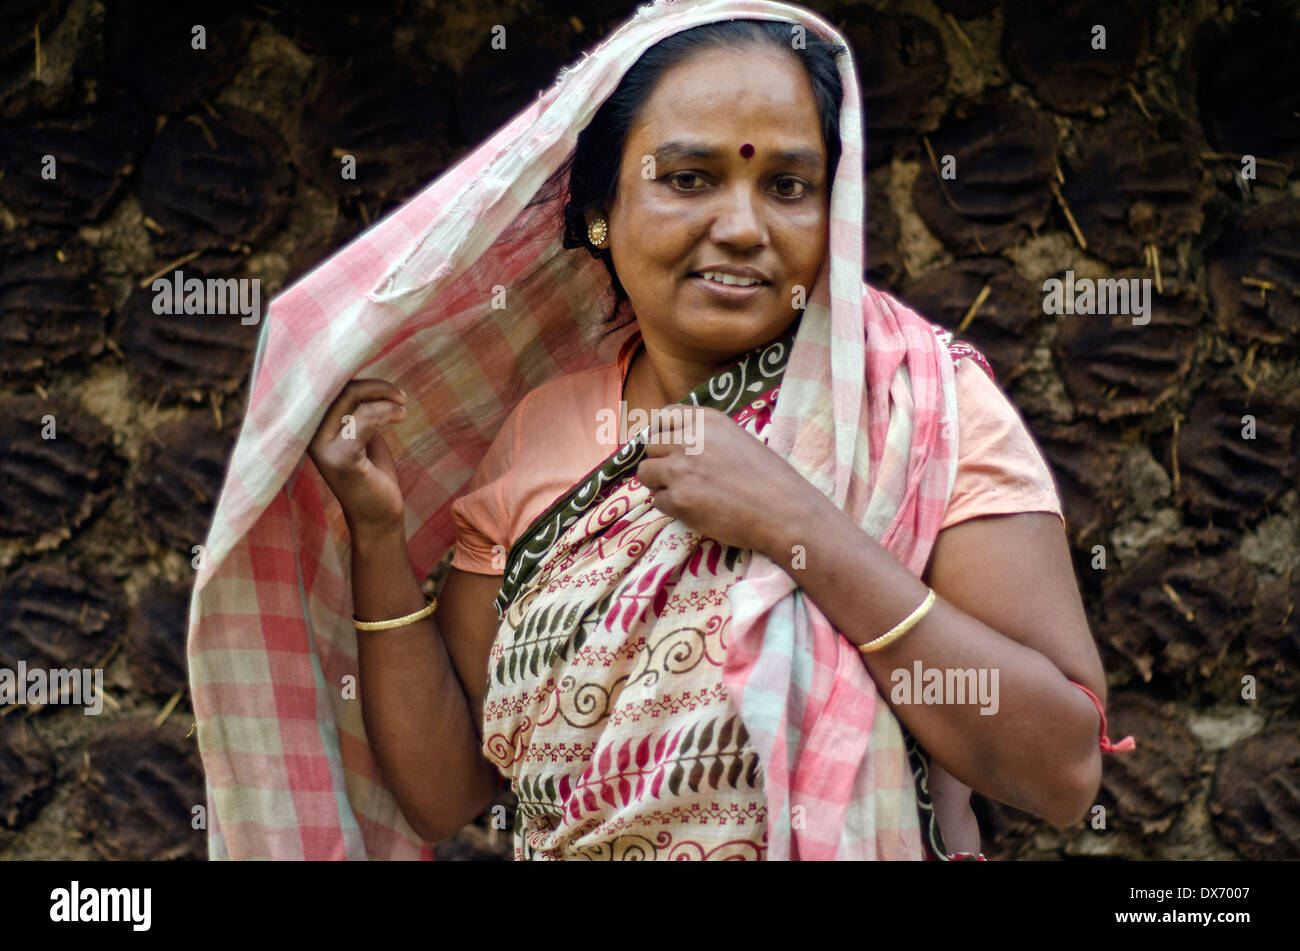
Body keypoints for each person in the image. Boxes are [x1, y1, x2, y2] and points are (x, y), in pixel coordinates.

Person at [189, 0, 1131, 862]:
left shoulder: (918, 412)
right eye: (688, 178)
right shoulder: (544, 436)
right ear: (600, 214)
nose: (743, 227)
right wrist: (381, 536)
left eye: (790, 187)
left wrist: (797, 523)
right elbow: (445, 794)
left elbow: (1060, 770)